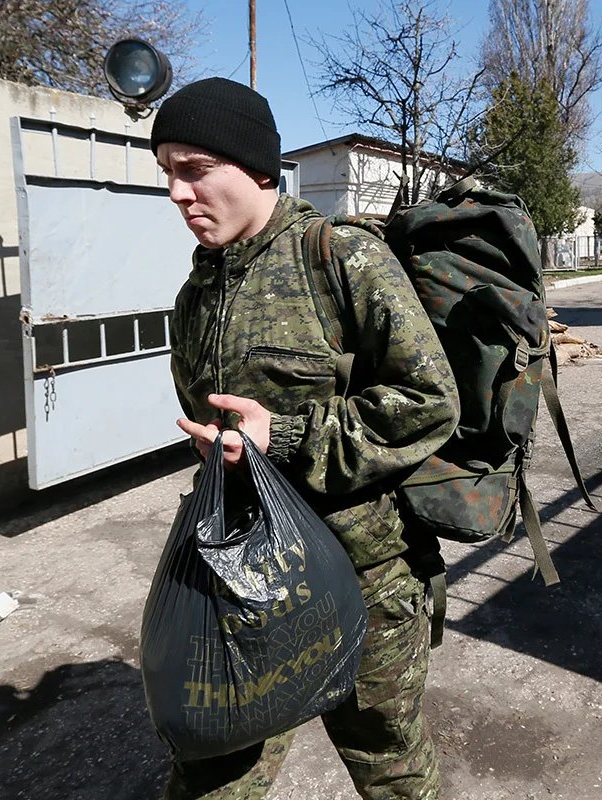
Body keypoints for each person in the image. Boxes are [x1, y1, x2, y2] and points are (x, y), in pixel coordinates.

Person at [151, 77, 460, 799]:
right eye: (166, 172)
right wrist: (225, 452)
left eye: (194, 169)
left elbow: (427, 401)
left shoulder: (338, 258)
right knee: (213, 772)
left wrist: (284, 435)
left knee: (391, 768)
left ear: (258, 168)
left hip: (363, 581)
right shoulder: (197, 294)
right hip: (242, 584)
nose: (176, 192)